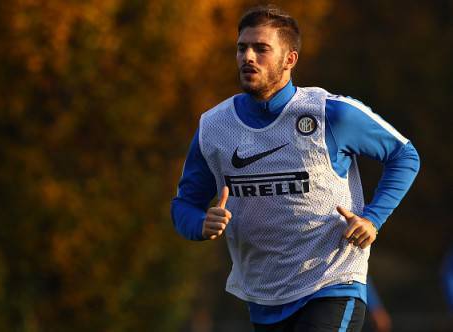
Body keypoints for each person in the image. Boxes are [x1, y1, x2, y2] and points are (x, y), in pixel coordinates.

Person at [171, 5, 420, 331]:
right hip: (264, 296)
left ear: (290, 59)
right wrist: (202, 223)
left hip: (332, 281)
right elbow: (183, 206)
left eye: (261, 49)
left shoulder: (330, 114)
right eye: (242, 47)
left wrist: (373, 219)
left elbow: (404, 155)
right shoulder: (213, 127)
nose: (248, 57)